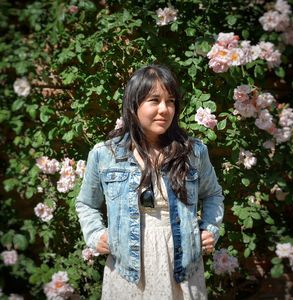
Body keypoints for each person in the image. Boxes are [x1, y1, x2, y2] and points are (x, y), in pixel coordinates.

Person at [76, 64, 224, 299]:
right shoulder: (105, 155)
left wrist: (210, 229)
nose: (164, 109)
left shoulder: (193, 152)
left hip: (183, 266)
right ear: (134, 105)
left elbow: (213, 194)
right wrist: (95, 235)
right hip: (127, 269)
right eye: (154, 100)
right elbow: (86, 203)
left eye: (171, 101)